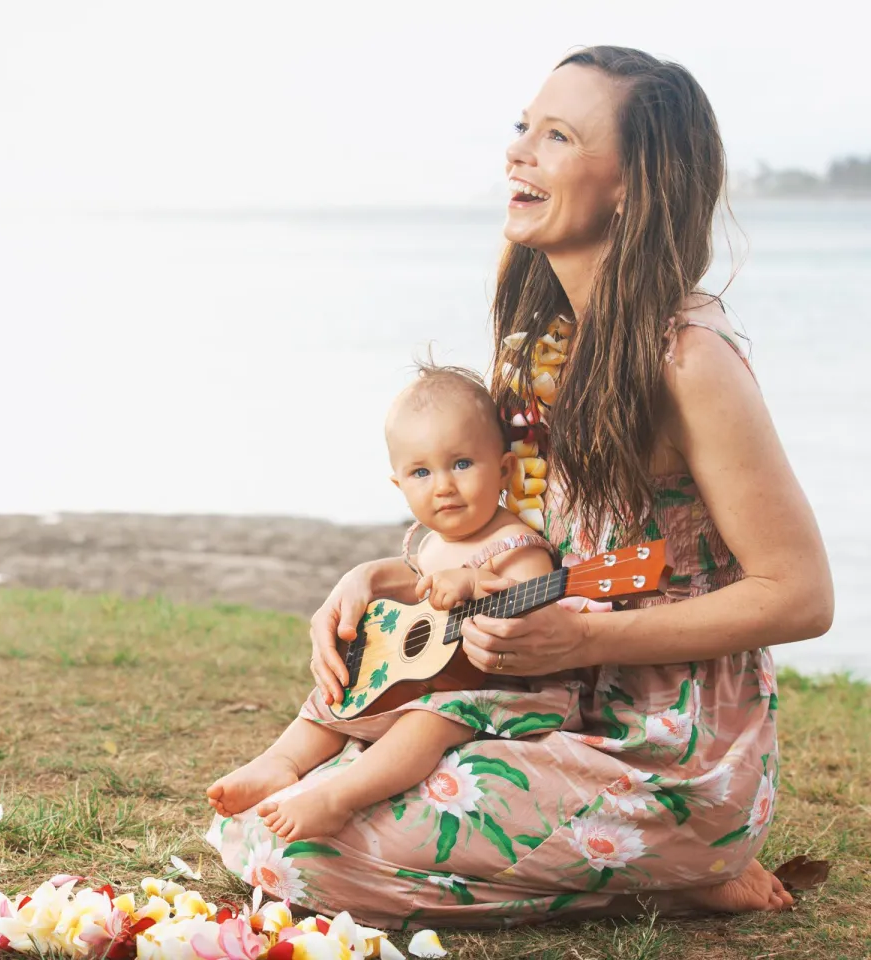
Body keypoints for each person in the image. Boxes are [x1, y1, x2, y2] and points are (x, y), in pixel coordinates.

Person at [205, 45, 833, 929]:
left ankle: (681, 861)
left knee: (294, 851)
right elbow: (521, 539)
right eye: (521, 129)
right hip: (532, 704)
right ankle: (653, 873)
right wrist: (377, 580)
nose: (518, 154)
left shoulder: (690, 360)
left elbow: (801, 596)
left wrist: (578, 639)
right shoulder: (539, 328)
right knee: (277, 812)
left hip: (666, 746)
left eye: (558, 136)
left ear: (631, 183)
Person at [207, 363, 559, 843]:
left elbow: (535, 615)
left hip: (493, 696)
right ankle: (280, 762)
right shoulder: (432, 545)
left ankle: (337, 799)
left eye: (461, 464)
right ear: (399, 485)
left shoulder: (516, 543)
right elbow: (412, 604)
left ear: (502, 469)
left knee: (429, 720)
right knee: (340, 692)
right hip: (430, 682)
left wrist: (477, 584)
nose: (443, 486)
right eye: (421, 471)